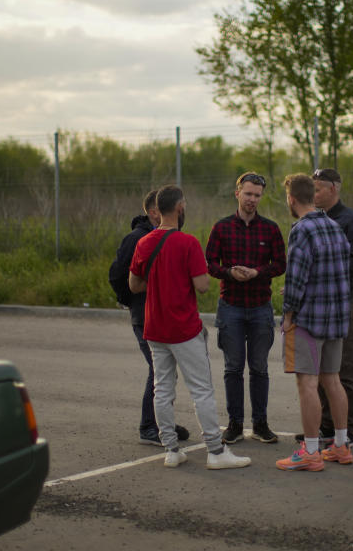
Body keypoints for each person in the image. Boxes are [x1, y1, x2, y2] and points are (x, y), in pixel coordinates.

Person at [128, 185, 251, 470]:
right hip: (184, 328)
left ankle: (171, 449)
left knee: (162, 389)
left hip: (155, 328)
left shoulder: (144, 243)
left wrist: (158, 282)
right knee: (202, 391)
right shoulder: (188, 243)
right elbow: (203, 285)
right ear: (180, 208)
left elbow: (134, 285)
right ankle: (215, 451)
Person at [276, 173, 353, 471]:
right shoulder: (334, 226)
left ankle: (309, 451)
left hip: (309, 320)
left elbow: (296, 277)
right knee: (332, 379)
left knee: (306, 382)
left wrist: (288, 315)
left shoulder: (302, 230)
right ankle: (341, 445)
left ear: (292, 199)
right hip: (335, 317)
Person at [205, 171, 286, 445]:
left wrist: (257, 272)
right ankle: (235, 424)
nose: (252, 199)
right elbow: (209, 264)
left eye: (257, 195)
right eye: (248, 194)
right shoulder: (222, 228)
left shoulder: (271, 229)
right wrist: (229, 273)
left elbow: (280, 264)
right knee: (233, 368)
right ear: (237, 193)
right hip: (231, 307)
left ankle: (260, 424)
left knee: (260, 368)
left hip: (261, 307)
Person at [108, 190, 190, 447]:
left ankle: (161, 422)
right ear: (153, 212)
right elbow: (117, 274)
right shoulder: (137, 238)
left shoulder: (164, 237)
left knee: (165, 373)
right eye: (163, 208)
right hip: (145, 315)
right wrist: (130, 300)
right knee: (159, 372)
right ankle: (149, 427)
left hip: (161, 315)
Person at [310, 168, 353, 447]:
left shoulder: (351, 221)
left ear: (334, 189)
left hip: (342, 303)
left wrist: (322, 269)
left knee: (344, 368)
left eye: (319, 188)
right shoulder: (314, 220)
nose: (314, 193)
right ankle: (326, 428)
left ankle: (348, 432)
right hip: (318, 304)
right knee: (322, 369)